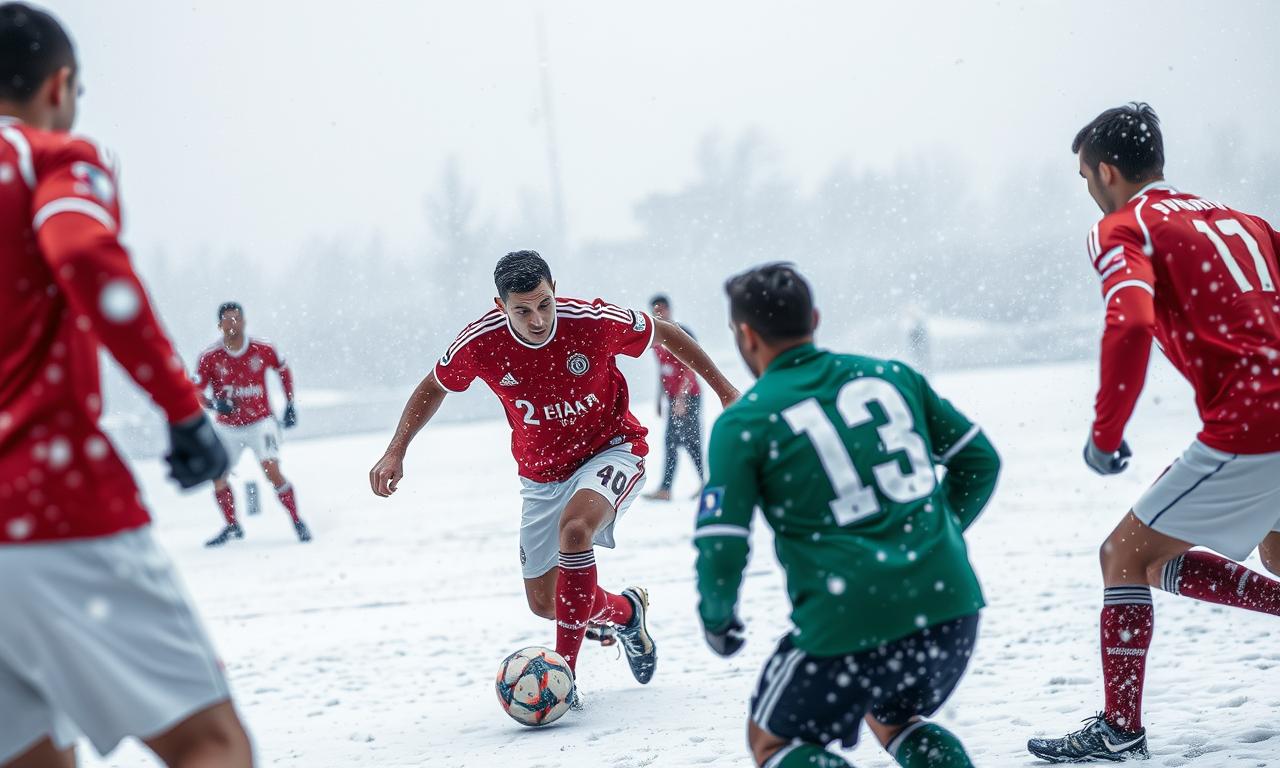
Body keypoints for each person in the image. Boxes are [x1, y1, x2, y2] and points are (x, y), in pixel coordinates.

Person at [0, 4, 253, 766]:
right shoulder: (48, 158)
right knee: (212, 746)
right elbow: (79, 251)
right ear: (61, 83)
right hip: (47, 506)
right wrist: (183, 413)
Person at [370, 250, 738, 700]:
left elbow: (663, 332)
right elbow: (433, 385)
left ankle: (566, 677)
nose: (537, 319)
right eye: (522, 310)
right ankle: (625, 613)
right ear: (500, 305)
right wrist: (395, 452)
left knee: (575, 531)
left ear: (554, 290)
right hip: (542, 475)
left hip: (613, 449)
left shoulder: (592, 321)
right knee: (546, 603)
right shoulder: (479, 343)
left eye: (543, 303)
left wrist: (726, 391)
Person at [1028, 103, 1280, 762]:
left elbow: (1131, 322)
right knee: (1269, 556)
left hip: (1254, 419)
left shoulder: (1122, 224)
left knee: (1124, 556)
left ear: (1107, 172)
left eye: (1085, 177)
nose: (1088, 190)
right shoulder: (1245, 221)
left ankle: (1120, 729)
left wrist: (1105, 433)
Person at [696, 263, 999, 768]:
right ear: (814, 317)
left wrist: (717, 616)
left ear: (746, 336)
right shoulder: (892, 376)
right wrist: (933, 534)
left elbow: (723, 538)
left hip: (849, 621)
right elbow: (979, 460)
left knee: (773, 743)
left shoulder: (745, 420)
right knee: (895, 718)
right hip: (951, 608)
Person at [194, 302, 308, 546]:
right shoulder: (210, 357)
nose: (233, 324)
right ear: (220, 324)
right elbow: (194, 391)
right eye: (228, 320)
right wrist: (214, 405)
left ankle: (297, 521)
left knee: (272, 470)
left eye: (237, 319)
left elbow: (283, 370)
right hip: (227, 427)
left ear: (244, 321)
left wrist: (289, 404)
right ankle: (233, 526)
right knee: (218, 475)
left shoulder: (263, 349)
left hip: (260, 422)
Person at [642, 294, 705, 501]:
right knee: (671, 441)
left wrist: (682, 398)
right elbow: (663, 370)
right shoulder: (656, 338)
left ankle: (705, 483)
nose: (659, 313)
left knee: (691, 441)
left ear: (669, 309)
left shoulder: (681, 333)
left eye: (662, 309)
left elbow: (691, 366)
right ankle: (666, 489)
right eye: (655, 310)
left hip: (689, 397)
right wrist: (659, 399)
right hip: (672, 399)